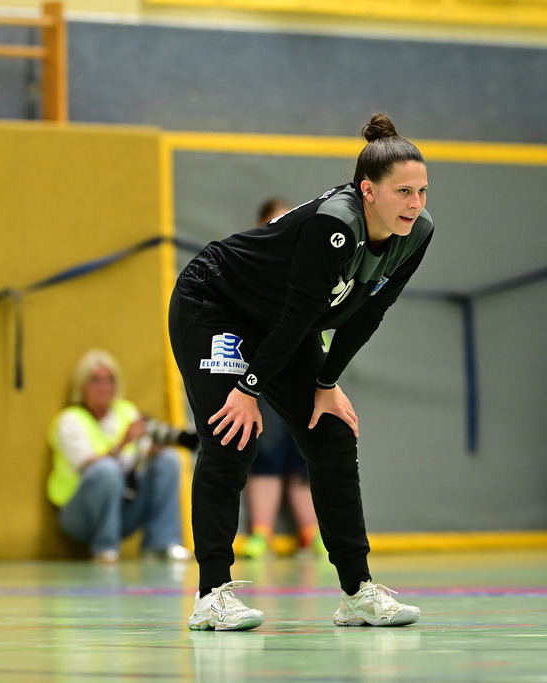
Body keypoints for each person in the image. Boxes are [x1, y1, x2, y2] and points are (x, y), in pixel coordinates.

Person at [169, 112, 432, 630]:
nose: (416, 204)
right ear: (368, 191)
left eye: (422, 191)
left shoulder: (416, 234)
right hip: (215, 304)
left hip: (279, 323)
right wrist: (248, 389)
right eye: (404, 192)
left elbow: (367, 314)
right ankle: (210, 596)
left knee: (331, 432)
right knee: (230, 434)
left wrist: (326, 384)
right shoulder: (334, 226)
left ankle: (357, 592)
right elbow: (297, 320)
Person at [47, 348, 197, 563]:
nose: (104, 387)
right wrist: (124, 443)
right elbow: (91, 467)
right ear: (81, 386)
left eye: (110, 380)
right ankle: (104, 548)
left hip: (123, 511)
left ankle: (161, 544)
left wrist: (154, 450)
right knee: (106, 470)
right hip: (79, 515)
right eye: (96, 381)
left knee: (168, 460)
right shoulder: (70, 420)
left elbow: (141, 457)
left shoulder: (125, 411)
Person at [242, 196, 325, 559]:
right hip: (263, 375)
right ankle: (262, 532)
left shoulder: (313, 272)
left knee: (306, 458)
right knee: (268, 450)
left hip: (306, 375)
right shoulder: (249, 272)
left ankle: (314, 533)